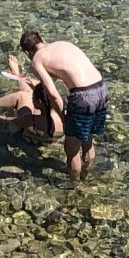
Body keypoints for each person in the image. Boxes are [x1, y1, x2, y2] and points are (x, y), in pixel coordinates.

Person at [18, 29, 107, 182]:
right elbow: (65, 73)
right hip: (101, 89)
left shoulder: (36, 59)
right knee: (87, 139)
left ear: (27, 53)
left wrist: (62, 117)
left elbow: (53, 94)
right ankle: (89, 176)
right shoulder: (62, 44)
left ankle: (74, 187)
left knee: (71, 149)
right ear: (42, 39)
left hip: (83, 96)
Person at [0, 56, 64, 144]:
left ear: (39, 102)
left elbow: (7, 122)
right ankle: (16, 74)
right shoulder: (64, 115)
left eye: (34, 98)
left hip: (28, 137)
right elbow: (48, 93)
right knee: (28, 93)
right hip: (46, 132)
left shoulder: (30, 120)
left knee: (22, 96)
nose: (32, 98)